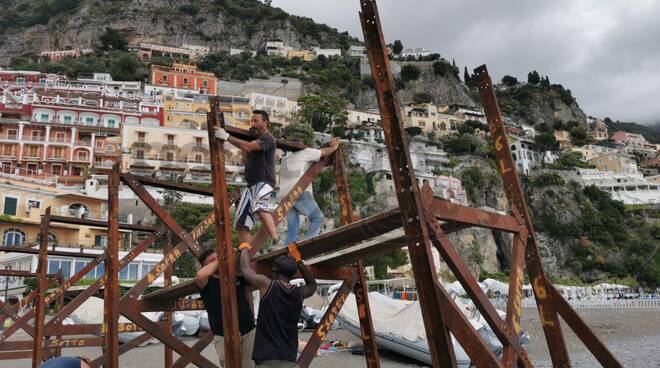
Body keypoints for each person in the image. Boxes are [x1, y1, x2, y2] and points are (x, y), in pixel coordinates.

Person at [238, 242, 316, 367]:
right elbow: (312, 285)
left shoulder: (267, 285)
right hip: (289, 359)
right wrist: (299, 260)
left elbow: (245, 270)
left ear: (274, 271)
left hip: (267, 360)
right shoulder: (298, 293)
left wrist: (244, 249)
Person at [215, 110, 278, 245]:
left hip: (264, 181)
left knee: (260, 206)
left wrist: (226, 137)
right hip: (251, 184)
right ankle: (245, 249)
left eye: (256, 121)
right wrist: (244, 148)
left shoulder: (268, 139)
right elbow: (246, 155)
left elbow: (249, 147)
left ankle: (276, 240)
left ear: (265, 122)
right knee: (241, 219)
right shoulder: (256, 140)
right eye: (252, 121)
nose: (253, 123)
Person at [196, 249, 256, 368]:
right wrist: (222, 259)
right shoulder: (206, 281)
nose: (217, 260)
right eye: (212, 260)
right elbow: (200, 275)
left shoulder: (234, 274)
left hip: (248, 330)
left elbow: (250, 272)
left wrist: (234, 257)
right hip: (223, 334)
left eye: (217, 257)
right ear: (205, 265)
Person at [279, 136, 340, 245]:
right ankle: (306, 245)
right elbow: (322, 152)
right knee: (318, 218)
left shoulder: (285, 158)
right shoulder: (304, 152)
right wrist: (334, 147)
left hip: (283, 196)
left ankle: (286, 253)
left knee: (293, 228)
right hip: (298, 192)